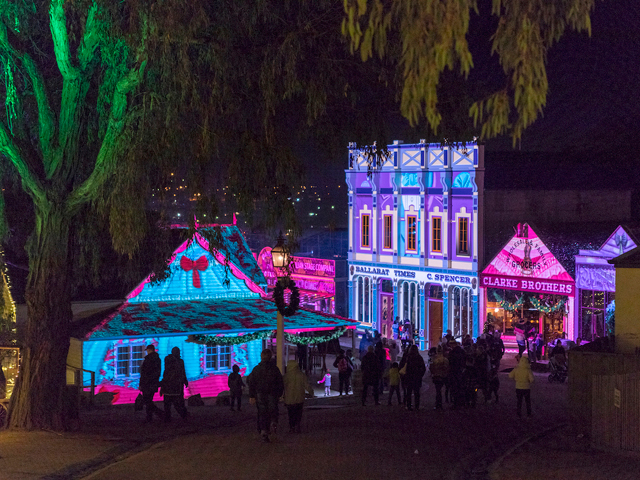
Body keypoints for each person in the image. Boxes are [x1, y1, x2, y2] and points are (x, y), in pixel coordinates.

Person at [248, 349, 284, 443]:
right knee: (273, 409)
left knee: (262, 412)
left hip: (260, 394)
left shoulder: (256, 369)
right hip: (272, 393)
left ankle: (264, 430)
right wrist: (280, 393)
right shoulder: (274, 369)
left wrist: (252, 395)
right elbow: (280, 382)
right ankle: (273, 422)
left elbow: (251, 382)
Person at [161, 346, 189, 422]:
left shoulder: (179, 361)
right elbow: (170, 370)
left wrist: (185, 380)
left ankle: (183, 415)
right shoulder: (170, 360)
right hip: (172, 384)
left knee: (175, 402)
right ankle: (169, 417)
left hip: (175, 385)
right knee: (170, 403)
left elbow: (182, 372)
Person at [283, 360, 311, 433]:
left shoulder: (286, 376)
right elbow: (307, 385)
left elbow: (283, 386)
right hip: (299, 397)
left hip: (289, 398)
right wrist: (311, 392)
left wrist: (282, 396)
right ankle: (297, 425)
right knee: (298, 412)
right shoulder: (301, 375)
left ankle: (292, 427)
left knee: (291, 413)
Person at [139, 345, 163, 422]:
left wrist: (142, 384)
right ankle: (150, 416)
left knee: (147, 400)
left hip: (147, 384)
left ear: (149, 350)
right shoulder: (157, 359)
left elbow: (144, 373)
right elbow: (157, 372)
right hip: (153, 383)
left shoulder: (148, 359)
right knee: (149, 400)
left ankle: (158, 414)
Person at [401, 345, 426, 411]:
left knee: (409, 392)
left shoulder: (408, 357)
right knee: (417, 393)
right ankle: (417, 406)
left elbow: (402, 366)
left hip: (409, 377)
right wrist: (420, 375)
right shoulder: (419, 358)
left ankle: (409, 406)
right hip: (417, 378)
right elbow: (423, 368)